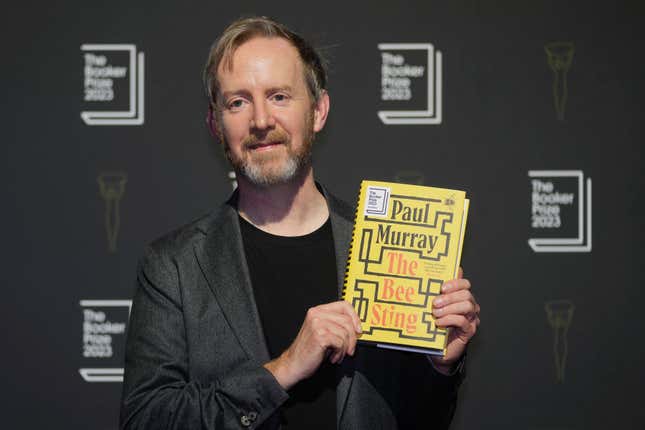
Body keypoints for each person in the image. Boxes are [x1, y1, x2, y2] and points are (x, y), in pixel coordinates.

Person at [120, 16, 480, 430]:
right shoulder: (174, 265)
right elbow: (145, 421)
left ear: (319, 110)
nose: (260, 120)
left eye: (279, 96)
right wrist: (283, 369)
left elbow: (418, 422)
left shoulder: (385, 247)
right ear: (215, 125)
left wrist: (441, 366)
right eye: (238, 102)